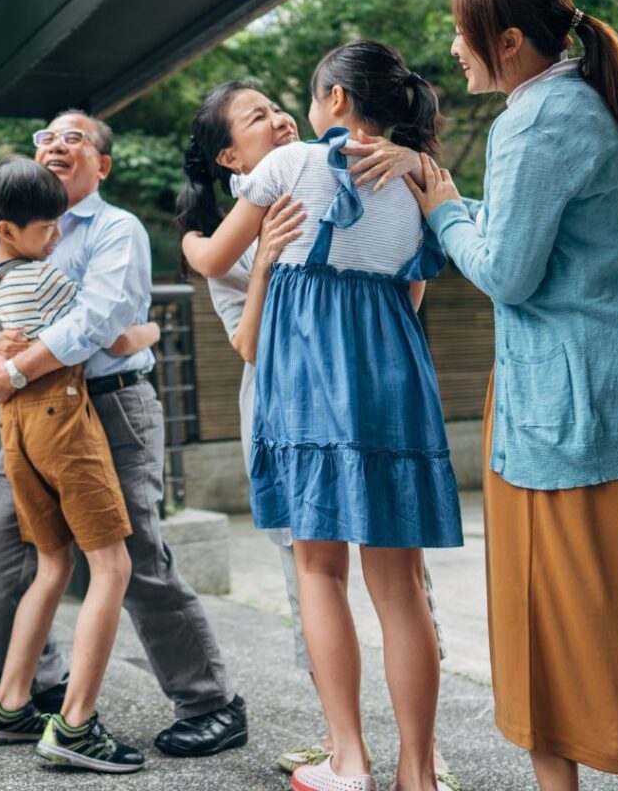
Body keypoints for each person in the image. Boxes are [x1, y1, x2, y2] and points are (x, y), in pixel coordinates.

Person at [404, 0, 618, 791]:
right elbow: (538, 240)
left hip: (574, 425)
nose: (455, 47)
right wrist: (453, 202)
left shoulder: (534, 120)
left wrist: (440, 214)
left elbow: (507, 272)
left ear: (508, 40)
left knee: (542, 628)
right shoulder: (596, 102)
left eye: (465, 33)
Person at [183, 41, 463, 791]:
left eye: (304, 98)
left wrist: (186, 235)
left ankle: (349, 759)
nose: (294, 114)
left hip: (308, 379)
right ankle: (419, 773)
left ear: (337, 101)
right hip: (395, 372)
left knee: (318, 569)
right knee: (401, 585)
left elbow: (213, 260)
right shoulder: (423, 180)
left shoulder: (287, 168)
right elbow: (412, 292)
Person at [0, 112, 248, 757]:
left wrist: (12, 364)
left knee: (138, 559)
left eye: (75, 138)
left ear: (103, 165)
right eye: (46, 137)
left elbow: (103, 321)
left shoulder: (115, 229)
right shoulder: (14, 233)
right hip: (29, 412)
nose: (57, 144)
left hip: (110, 405)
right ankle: (30, 693)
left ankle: (209, 702)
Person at [0, 154, 145, 772]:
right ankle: (75, 726)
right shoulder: (46, 279)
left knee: (51, 564)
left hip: (13, 423)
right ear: (7, 232)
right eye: (46, 227)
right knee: (111, 566)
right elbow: (111, 333)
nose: (57, 236)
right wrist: (150, 332)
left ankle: (10, 704)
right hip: (61, 415)